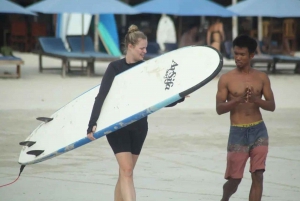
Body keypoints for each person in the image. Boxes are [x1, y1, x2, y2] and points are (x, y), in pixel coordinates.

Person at [86, 24, 184, 201]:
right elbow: (101, 96)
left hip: (139, 127)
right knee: (127, 171)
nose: (145, 51)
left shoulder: (146, 68)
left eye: (146, 47)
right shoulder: (114, 68)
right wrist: (92, 123)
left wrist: (180, 96)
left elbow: (158, 99)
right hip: (118, 126)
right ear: (130, 47)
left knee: (125, 173)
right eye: (142, 48)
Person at [215, 34, 275, 201]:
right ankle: (225, 198)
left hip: (259, 130)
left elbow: (272, 106)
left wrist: (256, 100)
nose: (238, 58)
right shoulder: (226, 79)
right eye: (236, 54)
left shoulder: (261, 77)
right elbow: (219, 109)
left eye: (242, 54)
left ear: (251, 55)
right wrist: (236, 101)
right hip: (237, 132)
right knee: (234, 180)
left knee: (258, 175)